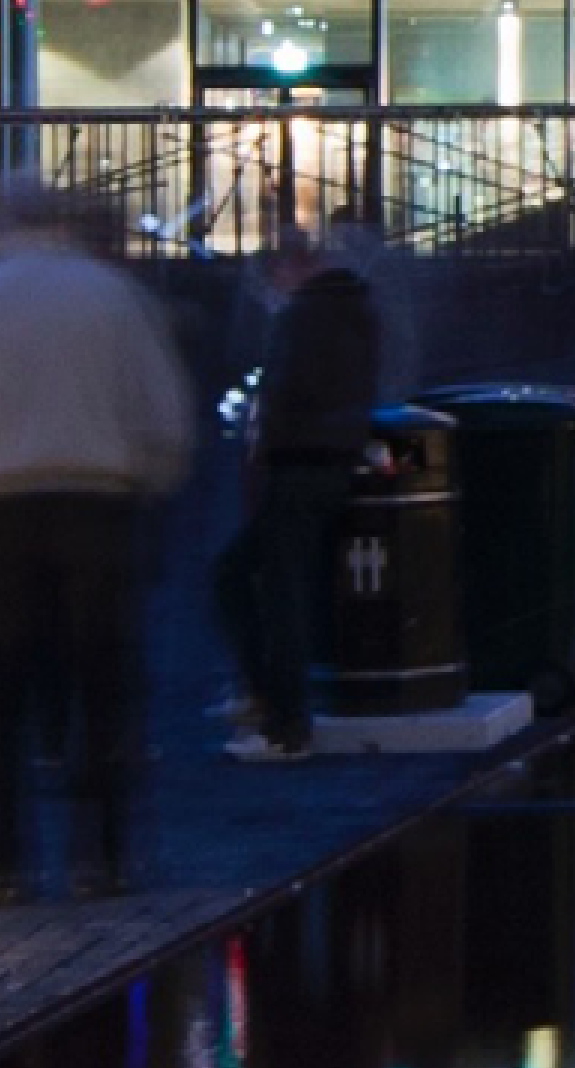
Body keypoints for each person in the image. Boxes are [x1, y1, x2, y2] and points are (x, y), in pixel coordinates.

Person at [0, 173, 195, 900]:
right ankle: (104, 855)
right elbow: (164, 414)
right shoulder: (114, 298)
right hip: (98, 501)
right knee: (104, 683)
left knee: (1, 691)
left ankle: (0, 862)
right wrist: (149, 481)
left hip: (2, 506)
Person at [218, 207, 390, 757]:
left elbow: (287, 392)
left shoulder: (303, 317)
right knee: (266, 580)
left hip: (298, 464)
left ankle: (283, 718)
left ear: (291, 269)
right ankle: (271, 700)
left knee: (263, 584)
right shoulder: (352, 310)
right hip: (330, 459)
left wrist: (263, 435)